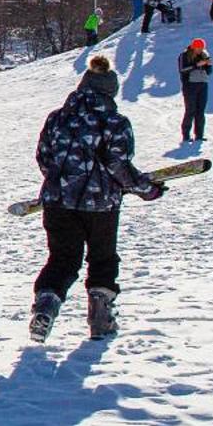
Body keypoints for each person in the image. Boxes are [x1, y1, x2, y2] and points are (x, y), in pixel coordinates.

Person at [31, 56, 151, 341]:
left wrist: (62, 182)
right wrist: (146, 189)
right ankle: (101, 318)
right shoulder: (115, 122)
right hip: (101, 205)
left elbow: (44, 158)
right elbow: (119, 166)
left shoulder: (57, 118)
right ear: (110, 91)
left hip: (58, 202)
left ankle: (45, 307)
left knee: (62, 258)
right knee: (102, 258)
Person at [179, 38, 213, 143]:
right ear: (193, 47)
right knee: (190, 110)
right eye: (198, 48)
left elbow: (209, 72)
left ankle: (199, 135)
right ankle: (186, 135)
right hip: (190, 85)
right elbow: (182, 70)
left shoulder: (204, 55)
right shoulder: (184, 55)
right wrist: (196, 65)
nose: (200, 50)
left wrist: (209, 65)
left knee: (200, 111)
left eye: (202, 48)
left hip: (203, 84)